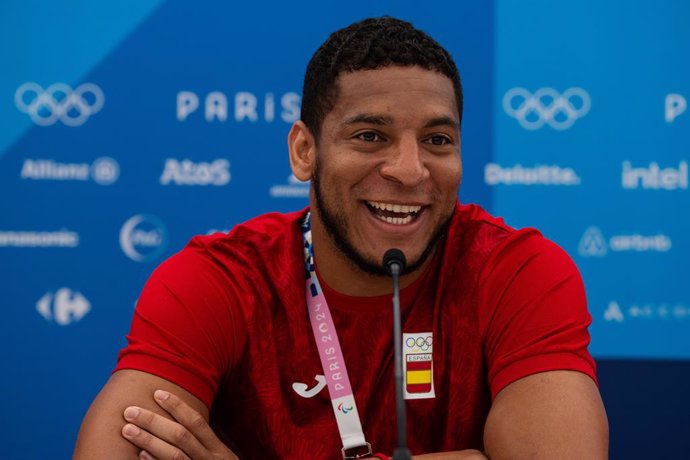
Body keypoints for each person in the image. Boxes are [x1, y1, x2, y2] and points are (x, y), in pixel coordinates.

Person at [74, 17, 608, 459]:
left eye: (437, 140)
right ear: (305, 151)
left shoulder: (519, 270)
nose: (409, 168)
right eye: (370, 135)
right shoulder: (219, 277)